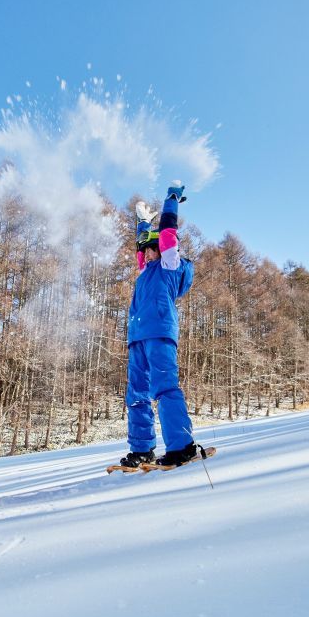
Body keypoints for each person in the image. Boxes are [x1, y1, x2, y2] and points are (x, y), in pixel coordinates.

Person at [119, 182, 198, 469]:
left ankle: (182, 445)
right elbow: (143, 241)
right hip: (137, 336)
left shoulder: (169, 264)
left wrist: (171, 199)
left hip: (160, 332)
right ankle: (142, 449)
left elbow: (166, 232)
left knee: (164, 387)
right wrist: (141, 220)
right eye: (145, 251)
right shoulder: (145, 270)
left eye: (151, 250)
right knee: (136, 393)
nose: (146, 255)